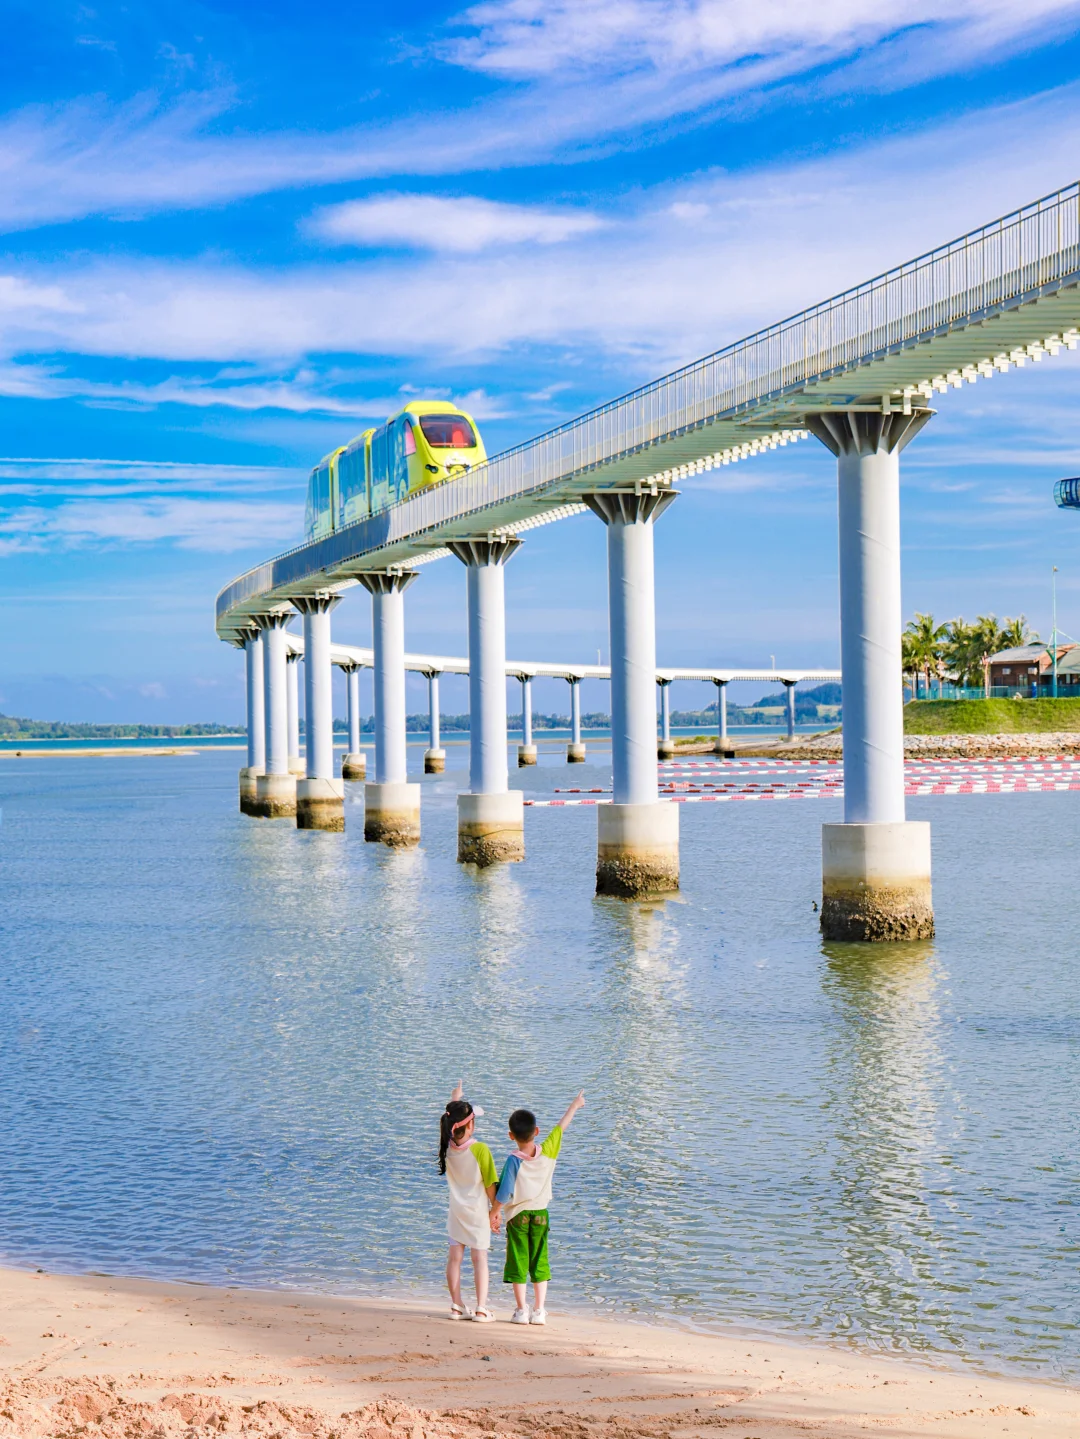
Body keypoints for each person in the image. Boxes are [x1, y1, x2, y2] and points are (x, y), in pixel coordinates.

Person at [488, 1090, 585, 1325]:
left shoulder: (513, 1160)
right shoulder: (549, 1151)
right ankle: (539, 1310)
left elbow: (505, 1193)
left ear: (511, 1136)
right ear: (537, 1131)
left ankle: (522, 1310)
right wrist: (575, 1105)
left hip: (517, 1216)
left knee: (518, 1259)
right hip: (541, 1214)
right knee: (540, 1258)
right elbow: (561, 1127)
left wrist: (494, 1213)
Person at [439, 1081, 498, 1321]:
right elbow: (491, 1185)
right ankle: (481, 1308)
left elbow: (450, 1117)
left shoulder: (447, 1146)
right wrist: (495, 1212)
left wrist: (455, 1096)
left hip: (456, 1212)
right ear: (470, 1125)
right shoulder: (480, 1150)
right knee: (479, 1259)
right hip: (477, 1213)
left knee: (454, 1259)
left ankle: (457, 1305)